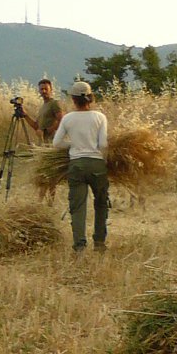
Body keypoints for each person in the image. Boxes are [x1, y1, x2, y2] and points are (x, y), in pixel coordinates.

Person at [52, 80, 110, 251]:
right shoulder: (100, 117)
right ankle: (99, 242)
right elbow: (104, 144)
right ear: (90, 98)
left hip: (76, 165)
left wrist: (74, 145)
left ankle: (79, 246)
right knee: (101, 203)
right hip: (97, 164)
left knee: (77, 207)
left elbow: (56, 143)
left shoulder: (68, 119)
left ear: (74, 99)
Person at [32, 77, 64, 142]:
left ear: (51, 90)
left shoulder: (54, 103)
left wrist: (47, 131)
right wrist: (25, 115)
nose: (44, 91)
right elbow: (36, 126)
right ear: (39, 91)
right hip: (44, 142)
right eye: (42, 89)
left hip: (53, 141)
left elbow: (61, 120)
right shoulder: (42, 107)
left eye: (46, 89)